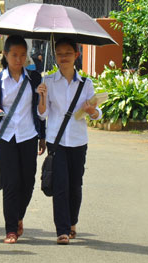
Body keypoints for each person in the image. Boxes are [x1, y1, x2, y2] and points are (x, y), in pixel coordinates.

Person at [0, 35, 46, 244]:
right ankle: (10, 229)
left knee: (28, 181)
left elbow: (39, 111)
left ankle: (19, 216)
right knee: (11, 184)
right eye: (14, 55)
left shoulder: (35, 79)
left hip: (28, 135)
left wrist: (42, 136)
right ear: (6, 55)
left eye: (23, 55)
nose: (19, 59)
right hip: (6, 136)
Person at [36, 38, 101, 245]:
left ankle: (72, 222)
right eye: (59, 53)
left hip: (78, 140)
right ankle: (62, 230)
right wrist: (42, 97)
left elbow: (97, 113)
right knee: (61, 185)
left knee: (75, 185)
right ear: (55, 56)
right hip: (56, 140)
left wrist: (93, 111)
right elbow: (41, 114)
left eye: (67, 53)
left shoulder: (86, 84)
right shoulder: (48, 81)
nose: (63, 57)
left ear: (76, 55)